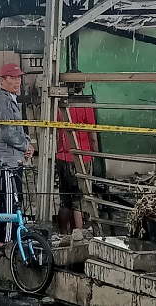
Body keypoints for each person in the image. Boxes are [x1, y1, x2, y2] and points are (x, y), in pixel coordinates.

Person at [0, 63, 34, 244]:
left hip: (13, 157)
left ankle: (11, 237)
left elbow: (16, 128)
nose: (17, 81)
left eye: (18, 77)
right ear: (3, 80)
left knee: (14, 198)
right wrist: (25, 146)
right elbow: (8, 131)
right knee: (9, 200)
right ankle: (5, 241)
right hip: (6, 158)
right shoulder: (2, 99)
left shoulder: (10, 98)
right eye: (12, 78)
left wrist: (26, 145)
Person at [56, 74, 99, 234]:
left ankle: (62, 234)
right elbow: (92, 136)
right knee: (79, 200)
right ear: (83, 86)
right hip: (82, 157)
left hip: (62, 157)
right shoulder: (85, 105)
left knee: (65, 200)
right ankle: (78, 235)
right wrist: (94, 155)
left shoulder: (60, 104)